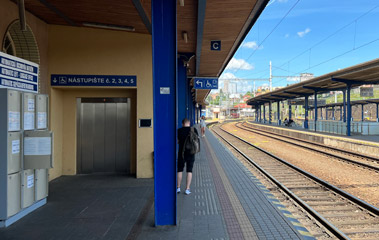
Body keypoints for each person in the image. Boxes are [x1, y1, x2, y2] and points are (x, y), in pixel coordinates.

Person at [177, 118, 199, 195]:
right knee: (189, 170)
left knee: (180, 170)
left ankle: (178, 187)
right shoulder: (194, 130)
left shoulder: (179, 131)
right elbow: (197, 140)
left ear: (182, 124)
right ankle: (187, 189)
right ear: (189, 123)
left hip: (181, 153)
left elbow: (178, 141)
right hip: (191, 153)